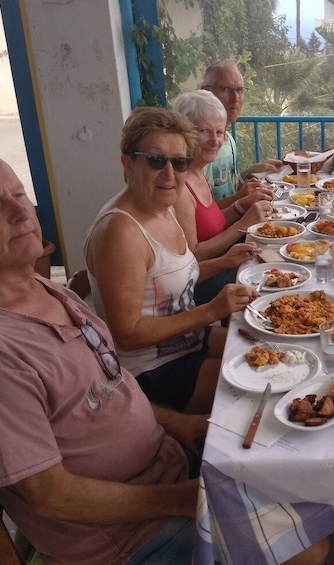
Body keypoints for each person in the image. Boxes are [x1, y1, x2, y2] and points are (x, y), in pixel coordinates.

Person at [0, 151, 204, 564]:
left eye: (20, 194)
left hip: (167, 470)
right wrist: (178, 500)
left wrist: (182, 424)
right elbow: (51, 496)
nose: (23, 212)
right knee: (304, 546)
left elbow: (109, 382)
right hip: (125, 539)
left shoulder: (41, 288)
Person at [84, 107, 261, 414]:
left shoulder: (160, 206)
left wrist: (223, 262)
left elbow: (168, 281)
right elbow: (127, 334)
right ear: (128, 162)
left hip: (187, 341)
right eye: (155, 160)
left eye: (179, 163)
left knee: (273, 349)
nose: (169, 174)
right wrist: (211, 310)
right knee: (262, 386)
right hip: (152, 371)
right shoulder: (120, 232)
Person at [172, 89, 273, 304]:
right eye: (204, 131)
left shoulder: (198, 171)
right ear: (183, 133)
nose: (215, 140)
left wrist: (240, 206)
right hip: (196, 286)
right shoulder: (179, 186)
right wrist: (244, 223)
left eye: (220, 132)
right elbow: (193, 256)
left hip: (220, 264)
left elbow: (212, 223)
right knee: (271, 283)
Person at [200, 61, 283, 205]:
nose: (235, 98)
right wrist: (240, 199)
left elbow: (233, 189)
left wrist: (251, 172)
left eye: (239, 90)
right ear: (206, 91)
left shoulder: (229, 140)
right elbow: (202, 216)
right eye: (225, 89)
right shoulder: (200, 146)